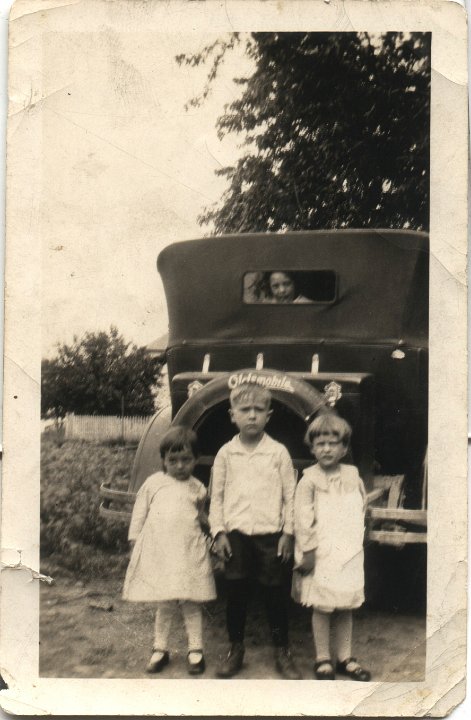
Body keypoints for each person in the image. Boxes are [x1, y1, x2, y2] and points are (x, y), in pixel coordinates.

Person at [209, 383, 301, 679]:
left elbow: (291, 496)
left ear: (268, 415)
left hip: (270, 536)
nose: (252, 416)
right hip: (236, 536)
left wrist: (288, 533)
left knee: (275, 594)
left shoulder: (278, 453)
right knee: (235, 593)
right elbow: (217, 498)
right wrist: (218, 532)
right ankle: (235, 650)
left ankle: (282, 651)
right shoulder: (225, 454)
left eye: (258, 410)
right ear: (232, 415)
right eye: (244, 410)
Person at [123, 426, 216, 675]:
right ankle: (160, 649)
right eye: (172, 460)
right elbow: (139, 514)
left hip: (188, 551)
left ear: (196, 460)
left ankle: (195, 650)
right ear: (163, 460)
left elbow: (201, 516)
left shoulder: (198, 488)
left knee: (190, 601)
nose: (179, 466)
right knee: (165, 602)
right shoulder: (153, 484)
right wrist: (134, 541)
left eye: (186, 460)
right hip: (162, 551)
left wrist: (213, 534)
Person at [292, 414, 371, 681]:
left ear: (344, 448)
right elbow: (303, 521)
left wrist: (359, 542)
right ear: (312, 448)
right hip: (321, 554)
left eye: (333, 443)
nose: (326, 449)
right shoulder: (309, 481)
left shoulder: (352, 476)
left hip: (348, 553)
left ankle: (345, 657)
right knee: (323, 606)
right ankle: (322, 657)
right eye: (320, 443)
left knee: (346, 605)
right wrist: (309, 554)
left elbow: (360, 509)